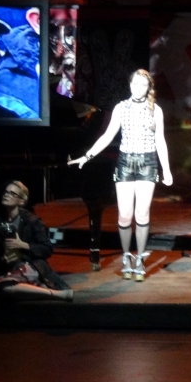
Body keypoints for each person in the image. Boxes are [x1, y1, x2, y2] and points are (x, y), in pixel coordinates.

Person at [68, 69, 172, 281]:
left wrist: (167, 169)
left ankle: (140, 259)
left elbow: (160, 140)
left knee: (142, 213)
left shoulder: (156, 110)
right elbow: (107, 136)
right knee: (125, 215)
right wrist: (87, 156)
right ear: (130, 85)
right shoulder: (121, 108)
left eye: (143, 85)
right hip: (125, 162)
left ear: (148, 88)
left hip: (147, 162)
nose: (138, 88)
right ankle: (126, 257)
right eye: (135, 84)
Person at [0, 180, 73, 302]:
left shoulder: (31, 221)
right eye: (6, 192)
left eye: (12, 193)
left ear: (21, 201)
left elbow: (47, 248)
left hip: (31, 265)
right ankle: (39, 288)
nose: (6, 195)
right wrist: (2, 259)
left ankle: (56, 294)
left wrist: (23, 245)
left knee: (3, 287)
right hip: (10, 268)